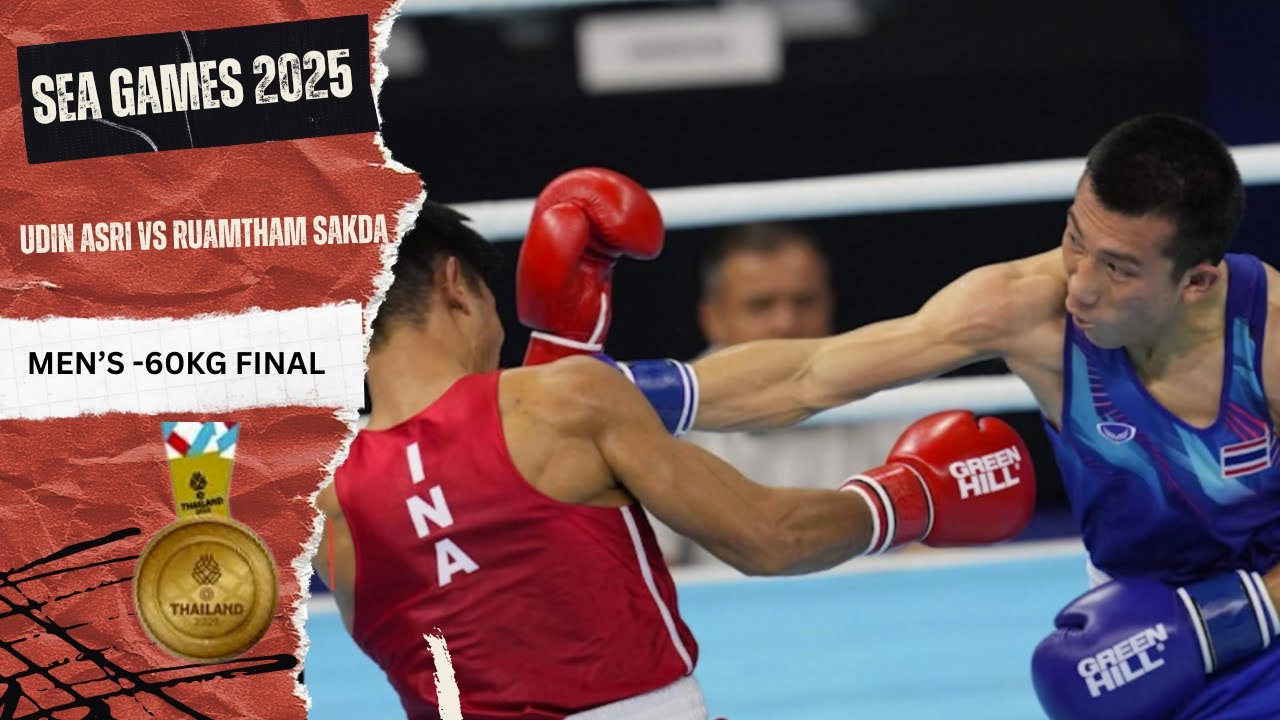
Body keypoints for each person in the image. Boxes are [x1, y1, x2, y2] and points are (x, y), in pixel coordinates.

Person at [583, 114, 1279, 719]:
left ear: (1197, 281)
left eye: (1120, 269)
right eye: (1075, 240)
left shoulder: (1270, 339)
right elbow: (811, 373)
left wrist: (1228, 619)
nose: (1081, 287)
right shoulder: (1023, 309)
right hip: (1137, 641)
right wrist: (616, 391)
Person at [312, 168, 1037, 720]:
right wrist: (910, 497)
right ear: (455, 286)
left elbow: (482, 575)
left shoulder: (323, 500)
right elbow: (770, 538)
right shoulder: (564, 401)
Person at [654, 223, 912, 566]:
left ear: (830, 303)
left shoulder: (888, 389)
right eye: (760, 306)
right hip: (723, 601)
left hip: (879, 597)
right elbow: (653, 567)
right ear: (712, 319)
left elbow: (942, 546)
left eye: (804, 302)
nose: (786, 323)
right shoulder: (666, 413)